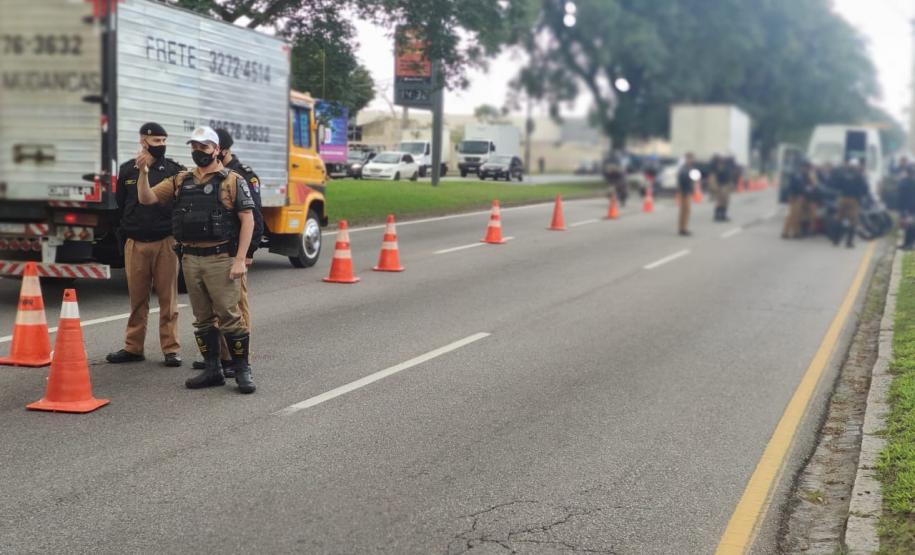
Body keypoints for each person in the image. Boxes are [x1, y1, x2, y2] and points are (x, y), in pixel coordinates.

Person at [135, 126, 257, 393]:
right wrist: (143, 174)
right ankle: (212, 369)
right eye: (194, 146)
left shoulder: (232, 180)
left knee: (230, 316)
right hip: (191, 258)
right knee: (202, 319)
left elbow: (247, 220)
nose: (198, 151)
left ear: (216, 150)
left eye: (204, 147)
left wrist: (240, 259)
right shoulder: (181, 180)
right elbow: (147, 198)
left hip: (220, 258)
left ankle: (241, 371)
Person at [106, 122, 184, 367]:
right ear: (143, 141)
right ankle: (133, 347)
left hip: (165, 242)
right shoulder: (128, 170)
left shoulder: (174, 170)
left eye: (163, 141)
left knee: (168, 300)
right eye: (156, 141)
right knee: (137, 299)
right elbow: (120, 205)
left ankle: (171, 349)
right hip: (136, 242)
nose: (160, 145)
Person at [190, 128, 264, 376]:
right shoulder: (206, 177)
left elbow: (254, 218)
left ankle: (240, 360)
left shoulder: (241, 176)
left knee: (236, 309)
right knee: (215, 310)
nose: (201, 153)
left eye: (207, 147)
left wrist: (248, 253)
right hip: (212, 254)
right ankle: (221, 357)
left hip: (233, 252)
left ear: (222, 150)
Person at [828, 158, 869, 248]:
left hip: (843, 199)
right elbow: (865, 188)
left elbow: (836, 185)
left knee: (839, 219)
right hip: (853, 200)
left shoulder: (843, 174)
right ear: (856, 166)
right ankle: (849, 242)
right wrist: (862, 196)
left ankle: (836, 240)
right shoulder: (859, 175)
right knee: (853, 221)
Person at [782, 160, 814, 239]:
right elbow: (800, 187)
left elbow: (809, 185)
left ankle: (796, 232)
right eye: (807, 168)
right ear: (804, 167)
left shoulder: (804, 175)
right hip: (796, 196)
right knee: (793, 215)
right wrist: (806, 190)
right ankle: (786, 232)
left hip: (800, 196)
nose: (808, 170)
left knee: (798, 215)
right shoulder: (798, 175)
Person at [677, 153, 698, 236]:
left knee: (686, 211)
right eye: (690, 159)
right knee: (685, 210)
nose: (692, 160)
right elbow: (682, 181)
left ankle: (683, 228)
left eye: (692, 159)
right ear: (687, 159)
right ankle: (683, 228)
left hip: (688, 191)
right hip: (685, 192)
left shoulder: (690, 168)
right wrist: (684, 192)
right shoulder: (684, 169)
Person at [898, 164, 915, 249]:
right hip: (908, 207)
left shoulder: (905, 181)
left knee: (911, 226)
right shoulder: (905, 181)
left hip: (909, 208)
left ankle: (909, 244)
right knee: (907, 226)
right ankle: (907, 243)